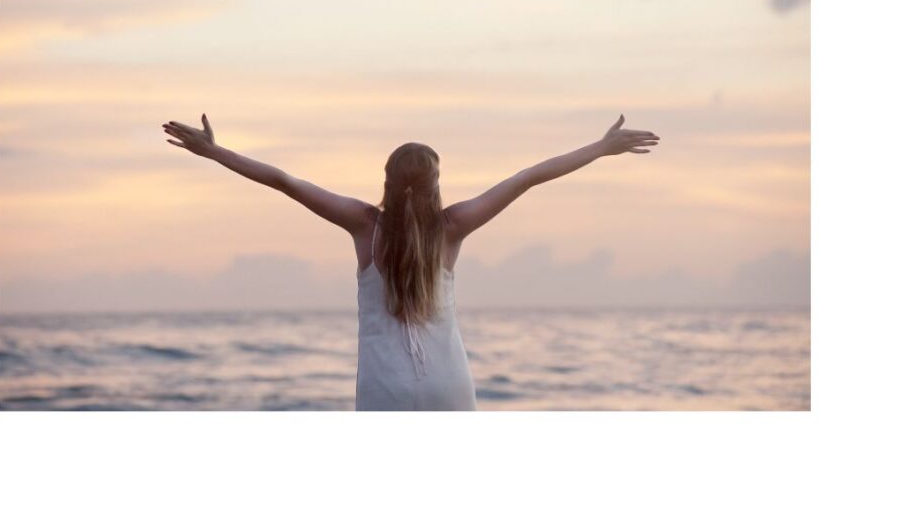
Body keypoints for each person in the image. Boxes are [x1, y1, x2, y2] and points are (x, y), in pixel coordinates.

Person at [162, 113, 660, 410]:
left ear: (386, 177)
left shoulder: (363, 225)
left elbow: (285, 181)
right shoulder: (454, 225)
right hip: (447, 383)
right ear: (435, 183)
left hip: (384, 389)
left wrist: (215, 152)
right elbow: (529, 176)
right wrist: (600, 148)